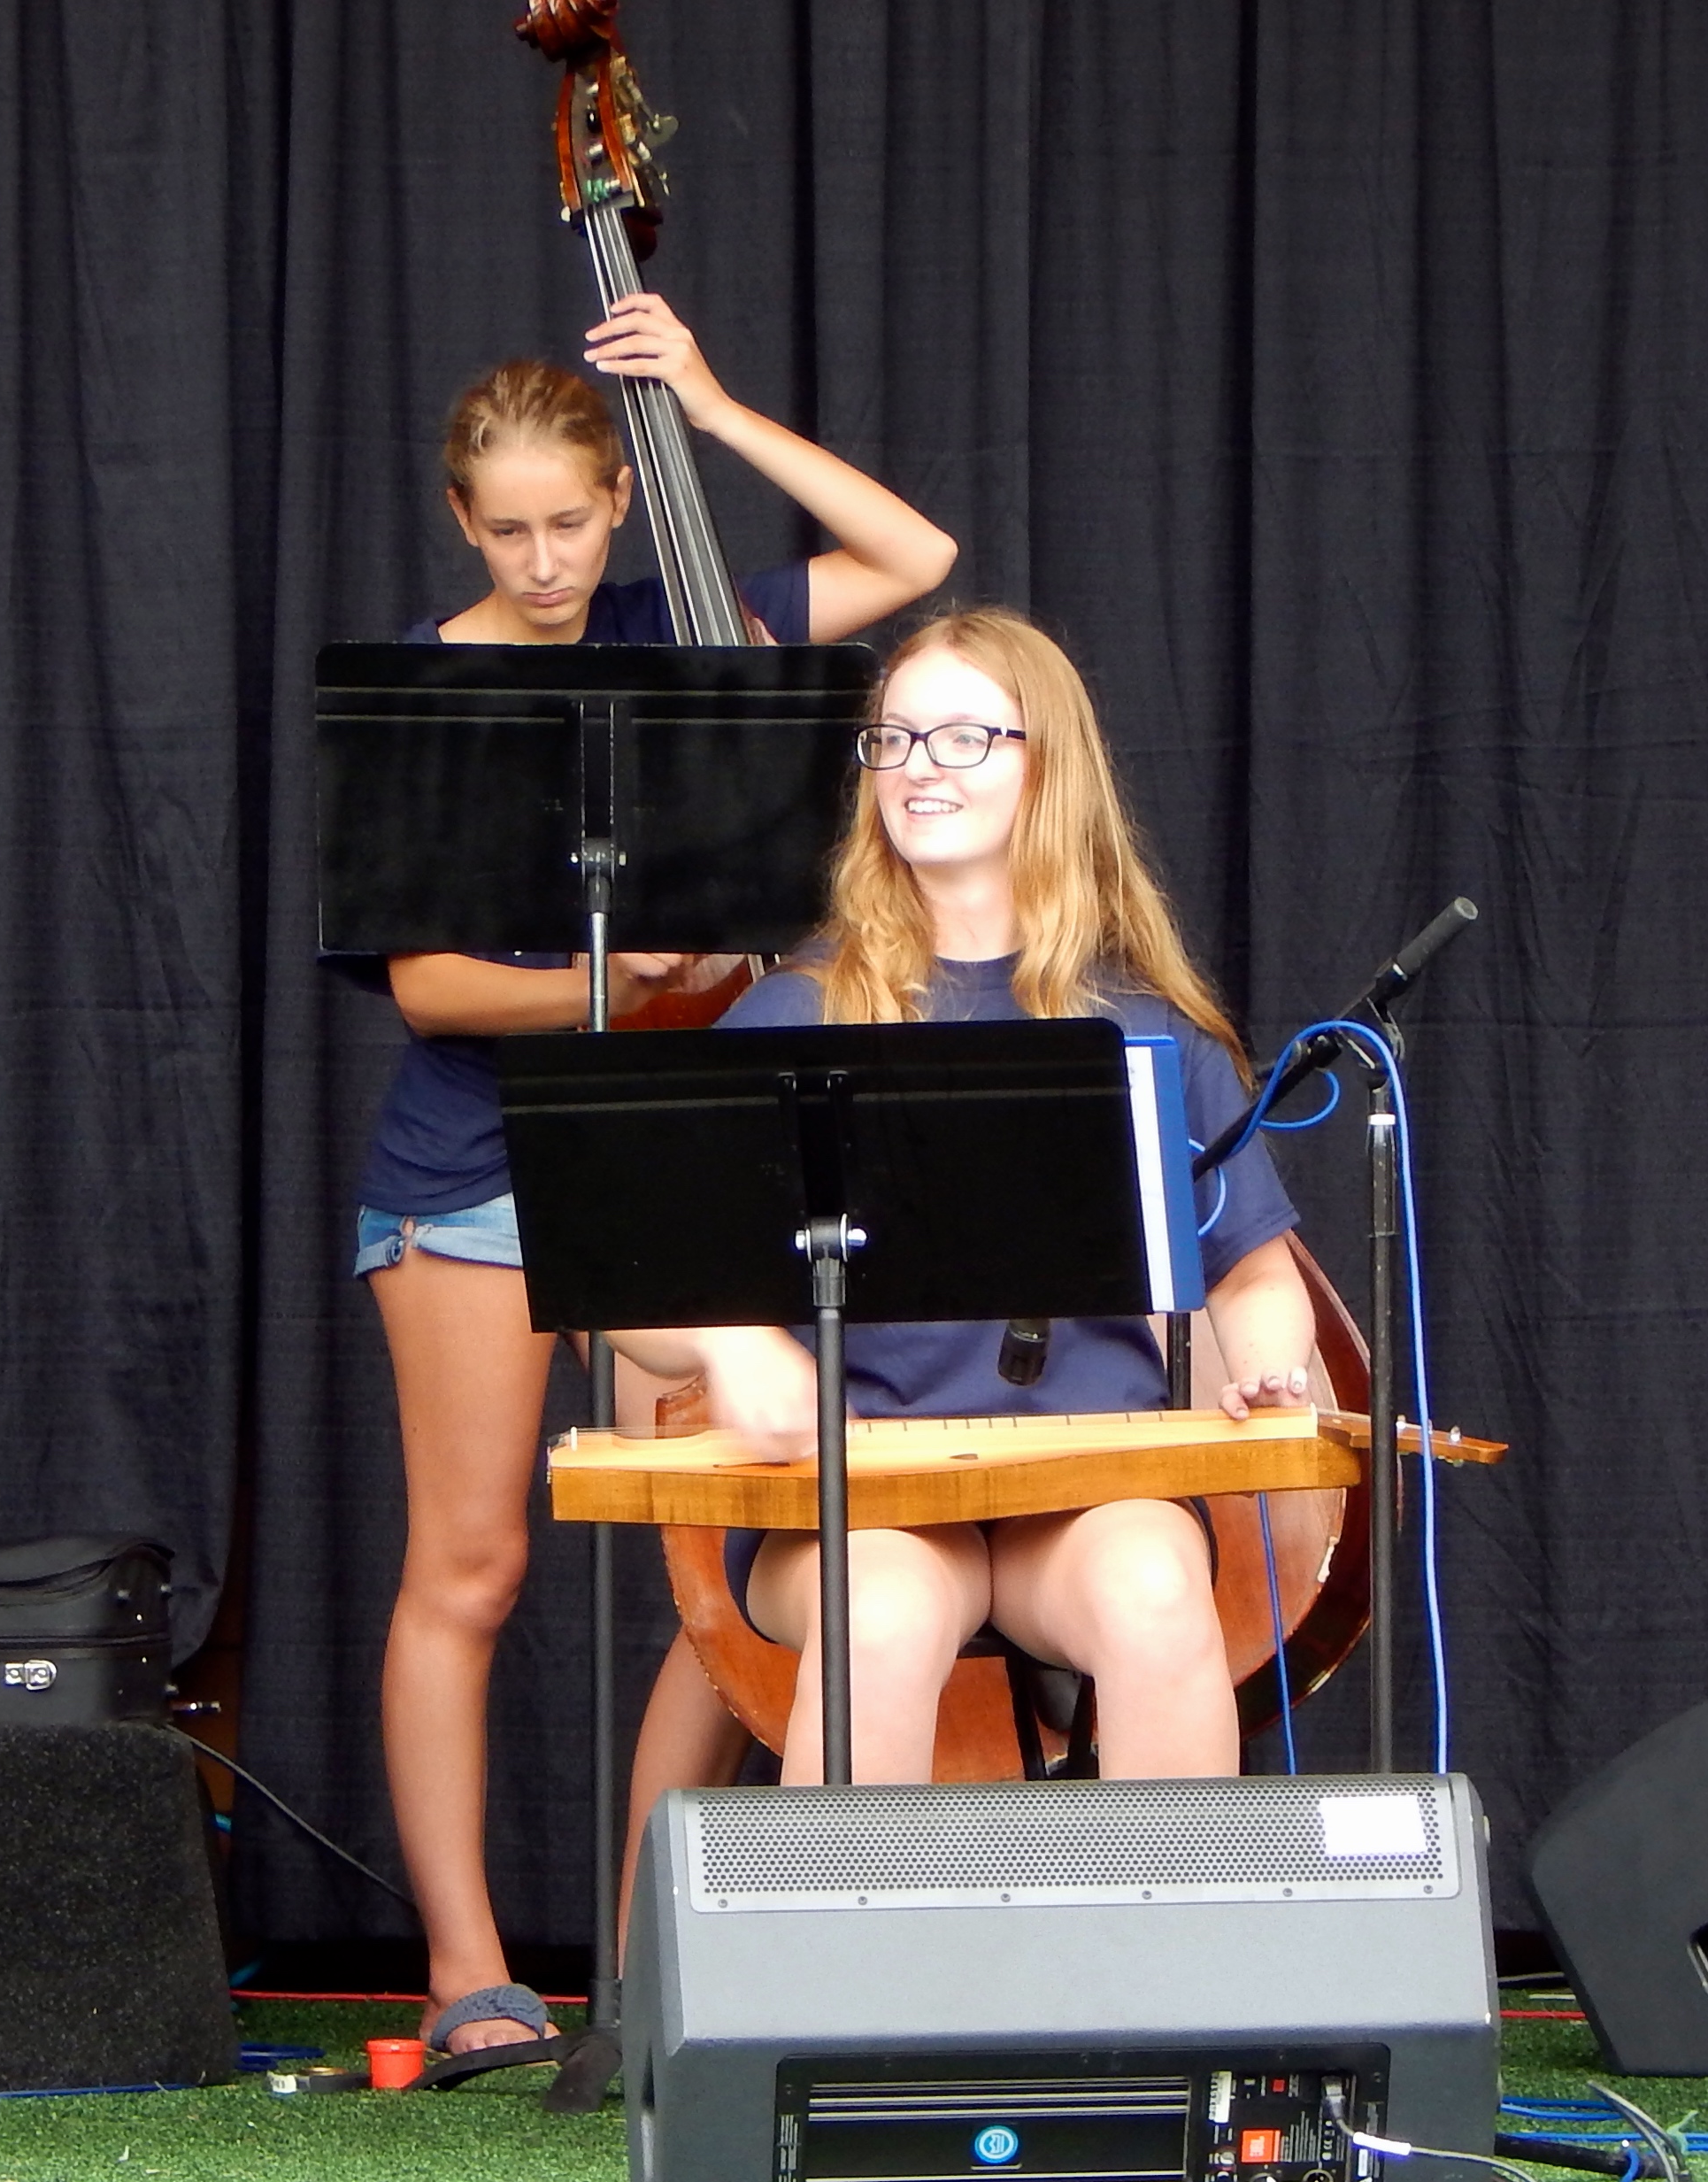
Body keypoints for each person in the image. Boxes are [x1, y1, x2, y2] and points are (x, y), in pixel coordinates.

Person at [358, 293, 957, 2060]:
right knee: (472, 1568)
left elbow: (912, 557)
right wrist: (622, 981)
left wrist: (707, 401)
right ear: (462, 523)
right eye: (509, 532)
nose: (546, 562)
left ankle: (651, 1960)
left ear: (619, 498)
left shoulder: (687, 622)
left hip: (680, 1156)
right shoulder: (425, 693)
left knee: (709, 1571)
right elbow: (433, 988)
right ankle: (469, 1975)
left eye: (571, 520)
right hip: (475, 1164)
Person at [610, 607, 1316, 1784]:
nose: (915, 767)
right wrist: (733, 1343)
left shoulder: (1144, 1024)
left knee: (1155, 1590)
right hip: (858, 1499)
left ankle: (1169, 1912)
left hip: (1083, 1488)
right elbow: (637, 1286)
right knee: (878, 1614)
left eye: (961, 738)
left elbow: (1254, 1276)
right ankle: (849, 1915)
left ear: (1050, 765)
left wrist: (1269, 1362)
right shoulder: (794, 1014)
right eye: (892, 739)